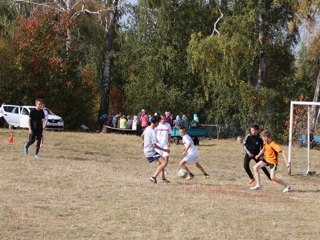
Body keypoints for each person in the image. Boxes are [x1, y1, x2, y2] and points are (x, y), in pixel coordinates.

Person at [141, 115, 170, 184]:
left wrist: (145, 141)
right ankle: (153, 177)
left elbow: (142, 136)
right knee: (164, 162)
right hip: (150, 151)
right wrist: (165, 150)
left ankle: (160, 178)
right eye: (158, 122)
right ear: (156, 122)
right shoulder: (153, 132)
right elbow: (154, 145)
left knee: (162, 162)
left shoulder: (147, 128)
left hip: (147, 150)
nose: (159, 124)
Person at [155, 114, 171, 183]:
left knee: (166, 161)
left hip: (165, 145)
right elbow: (154, 134)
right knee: (160, 163)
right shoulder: (157, 125)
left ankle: (161, 174)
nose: (164, 120)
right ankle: (162, 178)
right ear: (159, 119)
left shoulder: (168, 125)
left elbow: (169, 134)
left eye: (165, 119)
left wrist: (169, 141)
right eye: (162, 119)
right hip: (158, 146)